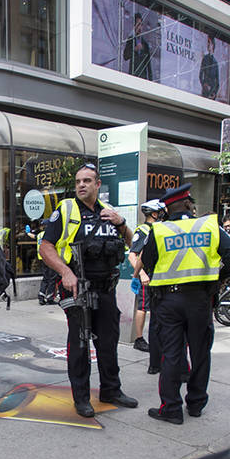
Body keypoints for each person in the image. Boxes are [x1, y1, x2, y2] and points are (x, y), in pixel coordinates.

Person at [39, 163, 138, 418]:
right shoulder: (67, 209)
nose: (81, 185)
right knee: (80, 343)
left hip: (106, 288)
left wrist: (123, 222)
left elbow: (132, 243)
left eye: (86, 180)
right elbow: (46, 247)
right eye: (78, 181)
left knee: (108, 342)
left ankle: (111, 390)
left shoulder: (108, 212)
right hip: (77, 289)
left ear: (97, 184)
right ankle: (81, 397)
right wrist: (65, 271)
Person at [142, 184, 230, 424]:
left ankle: (171, 408)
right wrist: (215, 281)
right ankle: (196, 403)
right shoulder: (209, 226)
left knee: (172, 355)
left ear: (166, 208)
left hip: (168, 300)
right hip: (200, 299)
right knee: (200, 353)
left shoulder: (159, 230)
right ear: (188, 204)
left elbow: (148, 263)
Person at [129, 199, 164, 355]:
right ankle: (139, 339)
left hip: (159, 275)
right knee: (143, 307)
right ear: (155, 214)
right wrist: (141, 274)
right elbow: (132, 255)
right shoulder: (143, 230)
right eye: (161, 212)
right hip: (147, 275)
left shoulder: (160, 228)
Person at [36, 218, 59, 305]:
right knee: (52, 278)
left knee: (45, 278)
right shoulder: (50, 234)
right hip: (50, 258)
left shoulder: (40, 235)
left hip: (42, 258)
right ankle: (50, 297)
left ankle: (41, 296)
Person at [123, 13, 152, 81]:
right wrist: (134, 49)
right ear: (134, 26)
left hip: (143, 76)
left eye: (141, 25)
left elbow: (148, 63)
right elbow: (125, 56)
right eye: (138, 25)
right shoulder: (131, 40)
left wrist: (151, 80)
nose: (140, 27)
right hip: (133, 75)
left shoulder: (145, 44)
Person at [200, 36, 220, 100]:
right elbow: (200, 75)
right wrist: (204, 85)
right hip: (205, 91)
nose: (208, 45)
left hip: (212, 93)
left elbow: (217, 82)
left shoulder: (216, 63)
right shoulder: (205, 59)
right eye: (208, 43)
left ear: (213, 45)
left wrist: (214, 92)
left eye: (210, 43)